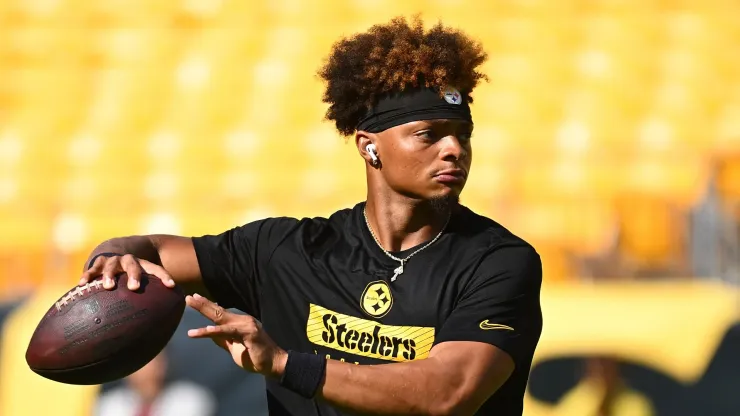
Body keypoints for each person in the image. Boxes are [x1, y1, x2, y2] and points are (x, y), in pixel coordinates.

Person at [79, 16, 543, 416]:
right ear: (369, 146)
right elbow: (156, 250)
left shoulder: (498, 262)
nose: (454, 150)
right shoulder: (287, 252)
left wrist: (283, 363)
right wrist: (115, 253)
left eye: (463, 135)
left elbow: (449, 392)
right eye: (429, 134)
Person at [94, 350, 216, 416]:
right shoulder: (108, 405)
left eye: (150, 362)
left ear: (163, 365)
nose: (144, 372)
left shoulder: (190, 400)